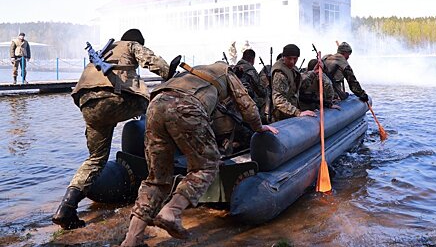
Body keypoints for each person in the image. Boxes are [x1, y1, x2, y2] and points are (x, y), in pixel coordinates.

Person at [120, 61, 278, 246]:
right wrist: (259, 128)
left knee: (157, 179)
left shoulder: (196, 72)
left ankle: (132, 239)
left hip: (155, 106)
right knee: (208, 166)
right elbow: (246, 104)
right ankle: (172, 211)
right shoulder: (226, 72)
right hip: (185, 106)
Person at [52, 29, 170, 230]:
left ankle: (66, 208)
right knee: (155, 104)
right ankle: (157, 159)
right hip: (114, 97)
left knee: (96, 159)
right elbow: (154, 63)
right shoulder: (132, 45)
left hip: (87, 103)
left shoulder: (106, 50)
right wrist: (171, 73)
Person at [271, 44, 316, 121]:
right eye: (289, 58)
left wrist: (314, 73)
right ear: (283, 57)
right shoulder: (280, 73)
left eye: (295, 59)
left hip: (291, 113)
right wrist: (297, 112)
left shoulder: (293, 69)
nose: (292, 62)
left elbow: (300, 86)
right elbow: (278, 100)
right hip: (281, 118)